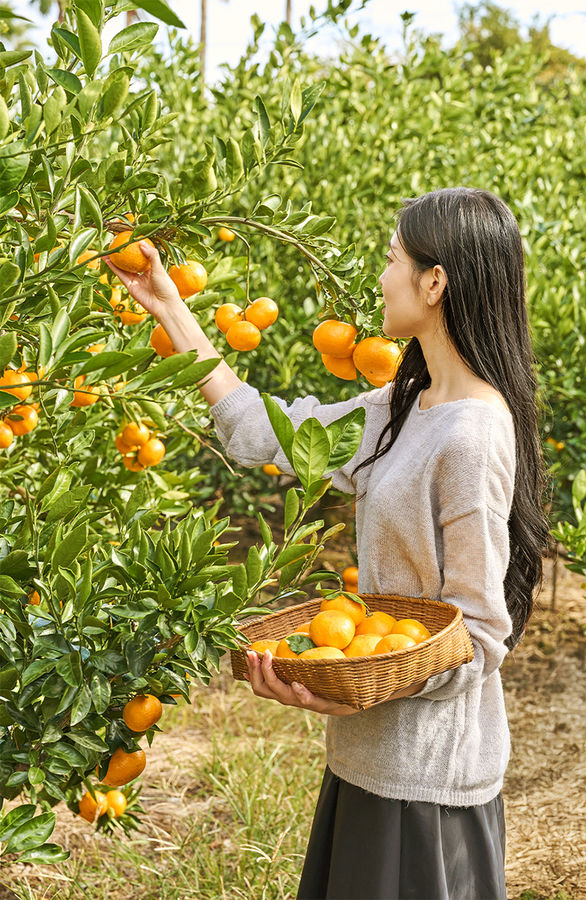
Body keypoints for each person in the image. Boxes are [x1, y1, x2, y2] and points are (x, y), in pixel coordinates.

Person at [103, 187, 551, 900]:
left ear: (434, 283)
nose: (379, 277)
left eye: (391, 258)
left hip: (427, 783)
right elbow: (264, 432)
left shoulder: (471, 434)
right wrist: (168, 305)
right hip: (366, 761)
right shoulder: (404, 405)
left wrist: (362, 685)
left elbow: (483, 633)